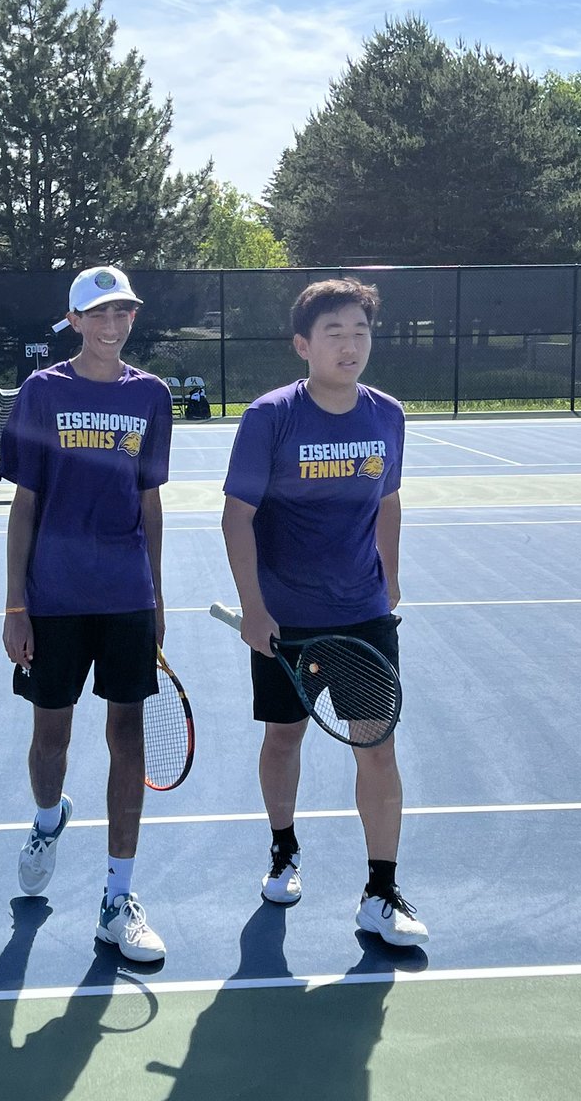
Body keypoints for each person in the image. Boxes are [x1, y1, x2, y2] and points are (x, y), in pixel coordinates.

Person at [220, 277, 428, 947]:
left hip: (363, 617)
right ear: (303, 345)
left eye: (361, 332)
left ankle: (381, 889)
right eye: (335, 333)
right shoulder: (271, 417)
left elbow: (388, 500)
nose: (350, 345)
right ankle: (283, 848)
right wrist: (255, 609)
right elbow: (237, 517)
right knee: (284, 738)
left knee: (378, 746)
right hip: (287, 620)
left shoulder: (387, 414)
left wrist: (389, 577)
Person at [0, 264, 172, 963]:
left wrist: (157, 596)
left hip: (126, 594)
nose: (111, 324)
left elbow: (150, 501)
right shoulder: (44, 392)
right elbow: (25, 504)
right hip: (55, 597)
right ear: (74, 321)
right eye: (98, 314)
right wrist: (16, 602)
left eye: (122, 312)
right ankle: (47, 821)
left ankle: (117, 897)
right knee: (52, 739)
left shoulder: (151, 396)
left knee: (126, 735)